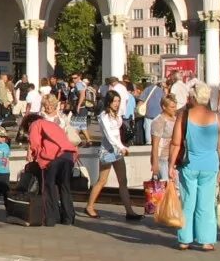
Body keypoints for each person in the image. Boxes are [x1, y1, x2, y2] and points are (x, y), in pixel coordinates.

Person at [169, 82, 220, 251]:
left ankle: (185, 239)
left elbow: (175, 144)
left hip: (189, 165)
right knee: (206, 203)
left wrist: (171, 166)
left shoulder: (184, 116)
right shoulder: (216, 118)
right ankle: (206, 241)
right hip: (210, 165)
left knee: (187, 202)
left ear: (193, 97)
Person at [87, 90, 142, 221]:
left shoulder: (117, 116)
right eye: (115, 101)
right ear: (109, 102)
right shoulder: (103, 116)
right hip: (108, 150)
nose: (117, 104)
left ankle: (129, 211)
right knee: (102, 180)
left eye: (118, 101)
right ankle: (89, 206)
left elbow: (118, 133)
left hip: (117, 150)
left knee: (123, 181)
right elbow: (109, 135)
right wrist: (121, 147)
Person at [28, 95, 78, 226]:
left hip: (51, 156)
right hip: (67, 154)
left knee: (49, 187)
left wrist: (37, 154)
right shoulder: (60, 118)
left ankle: (50, 218)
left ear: (56, 104)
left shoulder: (38, 121)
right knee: (65, 186)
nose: (48, 107)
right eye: (46, 104)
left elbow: (35, 141)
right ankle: (68, 218)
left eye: (51, 104)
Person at [150, 95, 179, 181]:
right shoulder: (159, 121)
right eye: (172, 107)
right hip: (163, 158)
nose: (175, 109)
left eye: (175, 106)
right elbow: (155, 145)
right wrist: (155, 164)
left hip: (175, 157)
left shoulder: (175, 118)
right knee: (166, 185)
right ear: (164, 107)